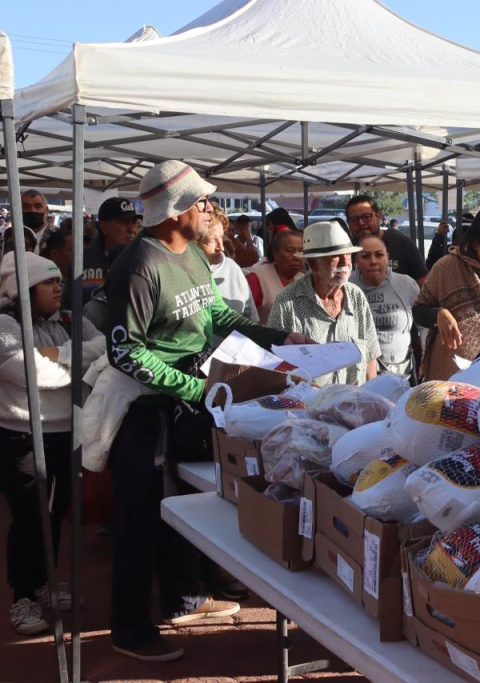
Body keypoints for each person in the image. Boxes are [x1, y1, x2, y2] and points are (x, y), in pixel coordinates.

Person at [104, 161, 309, 662]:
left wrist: (278, 337)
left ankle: (183, 598)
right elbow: (125, 351)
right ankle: (129, 629)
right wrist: (194, 388)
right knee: (138, 521)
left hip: (190, 404)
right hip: (145, 413)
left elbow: (215, 314)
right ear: (176, 211)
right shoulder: (138, 266)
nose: (209, 210)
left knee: (183, 506)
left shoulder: (193, 255)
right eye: (201, 202)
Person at [0, 252, 105, 636]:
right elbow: (28, 372)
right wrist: (78, 368)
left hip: (67, 433)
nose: (59, 288)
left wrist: (57, 355)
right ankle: (23, 596)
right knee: (30, 516)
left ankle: (45, 582)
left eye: (59, 280)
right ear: (23, 288)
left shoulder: (72, 320)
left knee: (56, 512)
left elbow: (104, 350)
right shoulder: (6, 324)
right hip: (24, 435)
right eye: (48, 282)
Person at [268, 222, 380, 385]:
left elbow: (370, 359)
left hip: (354, 398)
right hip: (309, 400)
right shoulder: (287, 303)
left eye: (348, 255)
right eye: (335, 256)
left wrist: (372, 395)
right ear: (313, 263)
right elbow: (275, 368)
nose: (344, 262)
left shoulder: (356, 296)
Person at [415, 206, 480, 381]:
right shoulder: (448, 267)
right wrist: (438, 314)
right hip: (449, 376)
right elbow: (418, 311)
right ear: (475, 242)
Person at [352, 234, 419, 377]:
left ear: (387, 257)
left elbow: (422, 324)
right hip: (361, 375)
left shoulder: (406, 284)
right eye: (365, 256)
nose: (373, 261)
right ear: (356, 260)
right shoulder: (347, 286)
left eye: (379, 255)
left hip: (403, 372)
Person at [346, 195, 428, 284]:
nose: (361, 223)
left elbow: (423, 283)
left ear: (379, 216)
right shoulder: (346, 250)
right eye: (354, 219)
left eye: (366, 217)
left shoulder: (403, 244)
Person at [197, 209, 258, 321]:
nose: (221, 247)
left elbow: (251, 317)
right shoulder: (181, 273)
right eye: (211, 241)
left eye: (221, 237)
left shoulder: (232, 267)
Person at [83, 197, 140, 299]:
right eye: (124, 222)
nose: (132, 229)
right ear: (104, 227)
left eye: (134, 222)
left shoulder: (144, 260)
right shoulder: (81, 260)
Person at [245, 229, 305, 324]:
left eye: (301, 251)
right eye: (290, 250)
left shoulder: (304, 280)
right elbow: (243, 317)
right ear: (275, 253)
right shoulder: (257, 278)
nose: (297, 257)